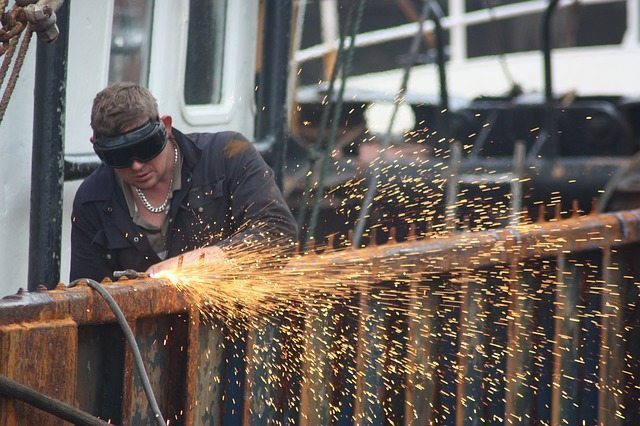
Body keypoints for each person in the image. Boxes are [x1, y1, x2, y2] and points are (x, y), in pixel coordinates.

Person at [70, 82, 298, 282]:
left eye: (145, 149)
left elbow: (278, 231)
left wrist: (198, 263)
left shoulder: (228, 155)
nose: (136, 165)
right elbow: (90, 294)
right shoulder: (92, 199)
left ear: (166, 127)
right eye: (118, 157)